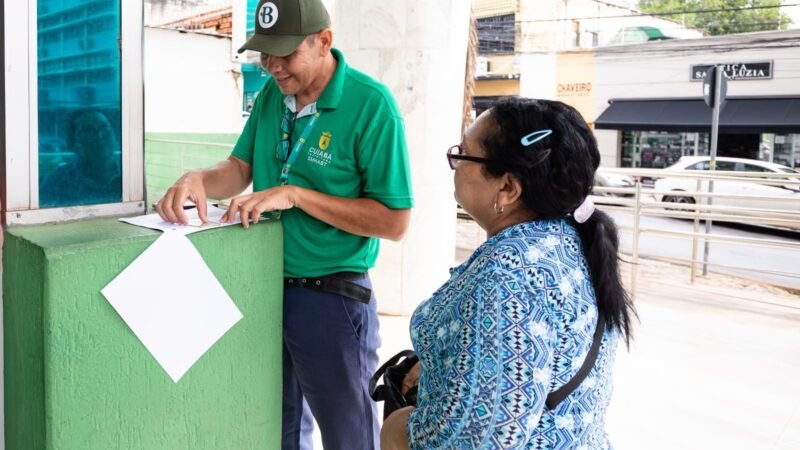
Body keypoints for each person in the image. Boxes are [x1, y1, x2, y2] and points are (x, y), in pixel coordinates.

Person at [156, 0, 414, 448]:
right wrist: (198, 179)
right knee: (276, 425)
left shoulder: (371, 106)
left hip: (330, 296)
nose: (273, 67)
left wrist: (295, 195)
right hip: (263, 286)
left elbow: (393, 221)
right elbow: (239, 167)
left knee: (347, 431)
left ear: (324, 42)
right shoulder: (274, 95)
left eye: (286, 54)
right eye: (264, 54)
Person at [381, 97, 636, 449]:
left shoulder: (509, 275)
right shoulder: (563, 237)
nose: (454, 162)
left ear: (507, 187)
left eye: (464, 154)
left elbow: (480, 439)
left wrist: (398, 429)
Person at [40, 109, 121, 207]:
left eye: (104, 127)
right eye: (88, 130)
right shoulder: (57, 182)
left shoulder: (131, 174)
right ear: (73, 143)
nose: (99, 135)